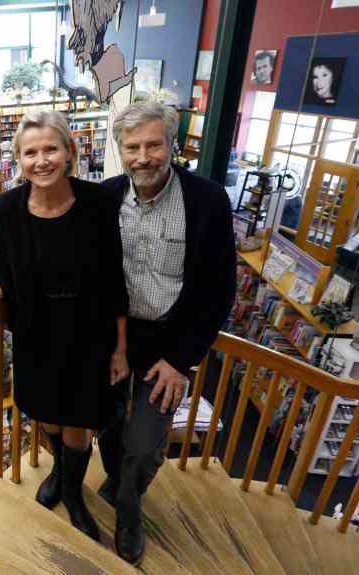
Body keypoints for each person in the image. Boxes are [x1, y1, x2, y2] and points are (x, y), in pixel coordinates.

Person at [0, 109, 130, 544]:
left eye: (51, 149)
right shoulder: (7, 208)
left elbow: (113, 279)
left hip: (88, 335)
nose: (41, 160)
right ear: (19, 160)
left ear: (69, 153)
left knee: (79, 422)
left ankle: (71, 491)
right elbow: (9, 278)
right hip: (36, 334)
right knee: (45, 412)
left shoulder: (98, 202)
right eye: (31, 152)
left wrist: (120, 349)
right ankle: (62, 472)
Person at [96, 101, 236, 564]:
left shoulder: (207, 201)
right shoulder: (105, 197)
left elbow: (220, 291)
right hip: (115, 338)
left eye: (153, 144)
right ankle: (117, 483)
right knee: (110, 428)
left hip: (170, 342)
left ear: (172, 145)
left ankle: (129, 508)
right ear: (120, 150)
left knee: (144, 442)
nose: (143, 156)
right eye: (132, 147)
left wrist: (181, 360)